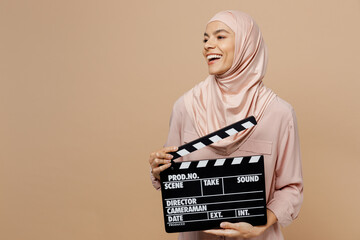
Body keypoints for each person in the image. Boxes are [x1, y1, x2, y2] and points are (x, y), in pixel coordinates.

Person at [149, 10, 303, 240]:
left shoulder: (279, 113)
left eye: (220, 37)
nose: (208, 45)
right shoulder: (186, 107)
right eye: (205, 39)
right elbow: (174, 179)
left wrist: (260, 225)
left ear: (246, 44)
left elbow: (291, 189)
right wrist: (159, 169)